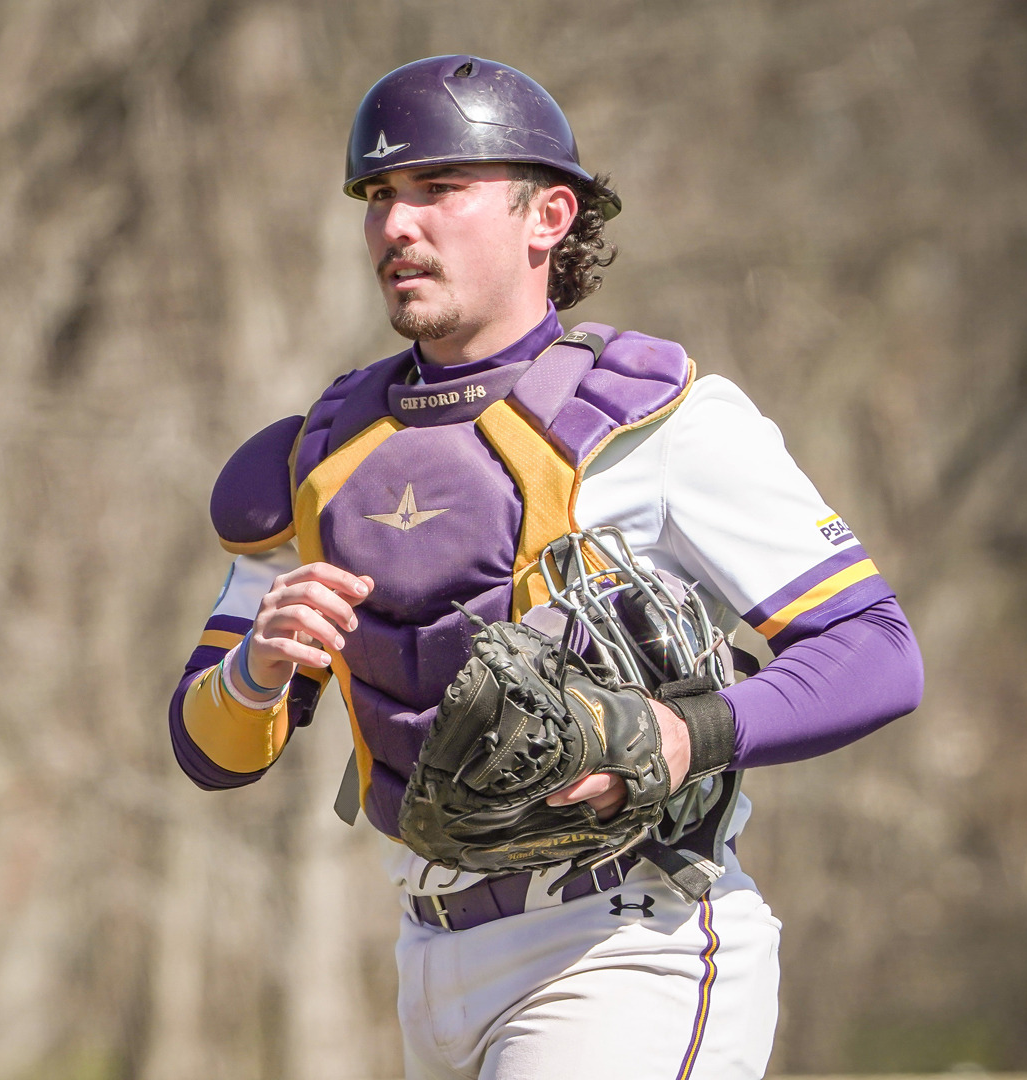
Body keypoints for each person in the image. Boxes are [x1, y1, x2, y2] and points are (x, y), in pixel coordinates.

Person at [166, 55, 922, 1079]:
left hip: (624, 944)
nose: (397, 225)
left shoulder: (659, 420)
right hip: (428, 955)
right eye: (380, 196)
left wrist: (684, 730)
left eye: (439, 189)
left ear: (549, 216)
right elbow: (213, 751)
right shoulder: (319, 456)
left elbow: (878, 652)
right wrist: (255, 671)